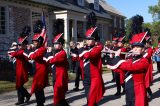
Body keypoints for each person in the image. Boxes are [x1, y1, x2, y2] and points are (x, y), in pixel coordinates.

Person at [107, 32, 149, 106]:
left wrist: (117, 57)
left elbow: (129, 67)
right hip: (129, 89)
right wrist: (111, 63)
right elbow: (123, 70)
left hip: (137, 90)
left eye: (137, 47)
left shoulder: (144, 61)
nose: (135, 49)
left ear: (142, 50)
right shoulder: (131, 60)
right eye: (133, 47)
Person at [78, 27, 105, 106]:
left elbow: (88, 55)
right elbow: (78, 57)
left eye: (90, 39)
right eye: (87, 39)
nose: (88, 41)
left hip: (94, 77)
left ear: (94, 40)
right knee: (89, 98)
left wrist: (81, 49)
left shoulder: (97, 48)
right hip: (85, 76)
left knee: (92, 99)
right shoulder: (85, 49)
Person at [25, 20, 48, 106]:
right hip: (37, 70)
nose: (34, 43)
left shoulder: (41, 49)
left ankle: (40, 103)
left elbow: (33, 56)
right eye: (33, 42)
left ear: (39, 42)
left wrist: (28, 50)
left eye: (35, 42)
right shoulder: (36, 49)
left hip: (40, 71)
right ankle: (41, 102)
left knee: (38, 88)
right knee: (38, 88)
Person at [8, 26, 31, 105]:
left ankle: (26, 96)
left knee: (19, 86)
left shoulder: (23, 51)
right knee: (18, 86)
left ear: (24, 45)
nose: (19, 46)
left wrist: (12, 52)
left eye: (20, 45)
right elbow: (12, 53)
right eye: (19, 45)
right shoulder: (19, 50)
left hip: (22, 71)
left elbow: (14, 54)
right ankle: (21, 99)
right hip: (18, 71)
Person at [47, 33, 69, 106]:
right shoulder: (57, 52)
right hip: (56, 75)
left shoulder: (62, 53)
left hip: (60, 75)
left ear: (61, 44)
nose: (54, 45)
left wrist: (49, 53)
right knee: (60, 97)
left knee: (58, 94)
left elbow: (51, 60)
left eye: (56, 44)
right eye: (54, 44)